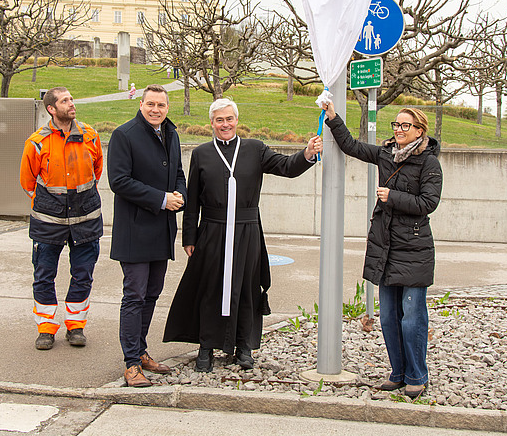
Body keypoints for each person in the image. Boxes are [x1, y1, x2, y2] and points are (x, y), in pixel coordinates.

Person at [164, 98, 323, 372]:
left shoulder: (254, 148)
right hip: (212, 230)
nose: (225, 124)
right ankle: (206, 346)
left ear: (237, 120)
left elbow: (286, 166)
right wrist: (189, 237)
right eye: (219, 120)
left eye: (229, 119)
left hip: (247, 230)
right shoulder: (202, 153)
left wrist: (307, 153)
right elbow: (193, 199)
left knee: (247, 287)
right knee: (210, 288)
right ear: (211, 123)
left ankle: (244, 346)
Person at [319, 99, 442, 399]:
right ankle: (397, 373)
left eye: (405, 125)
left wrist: (393, 196)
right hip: (385, 247)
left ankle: (416, 375)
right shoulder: (386, 154)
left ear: (419, 131)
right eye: (396, 124)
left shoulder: (429, 162)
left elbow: (429, 203)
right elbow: (352, 147)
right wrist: (333, 117)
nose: (399, 130)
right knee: (387, 316)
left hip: (414, 249)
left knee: (412, 316)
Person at [108, 84, 187, 388]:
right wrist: (161, 199)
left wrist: (180, 194)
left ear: (168, 107)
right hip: (135, 231)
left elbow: (178, 170)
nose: (156, 110)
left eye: (161, 105)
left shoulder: (171, 133)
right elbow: (119, 181)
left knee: (152, 294)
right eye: (150, 104)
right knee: (135, 296)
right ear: (141, 104)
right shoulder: (124, 135)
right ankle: (130, 364)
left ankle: (140, 352)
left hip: (162, 230)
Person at [20, 87, 104, 351]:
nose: (72, 104)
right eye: (65, 101)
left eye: (71, 98)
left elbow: (96, 171)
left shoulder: (90, 136)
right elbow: (27, 182)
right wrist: (52, 204)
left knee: (83, 274)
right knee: (44, 274)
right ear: (51, 109)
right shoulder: (37, 142)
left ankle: (75, 326)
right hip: (48, 221)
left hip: (86, 219)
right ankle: (46, 328)